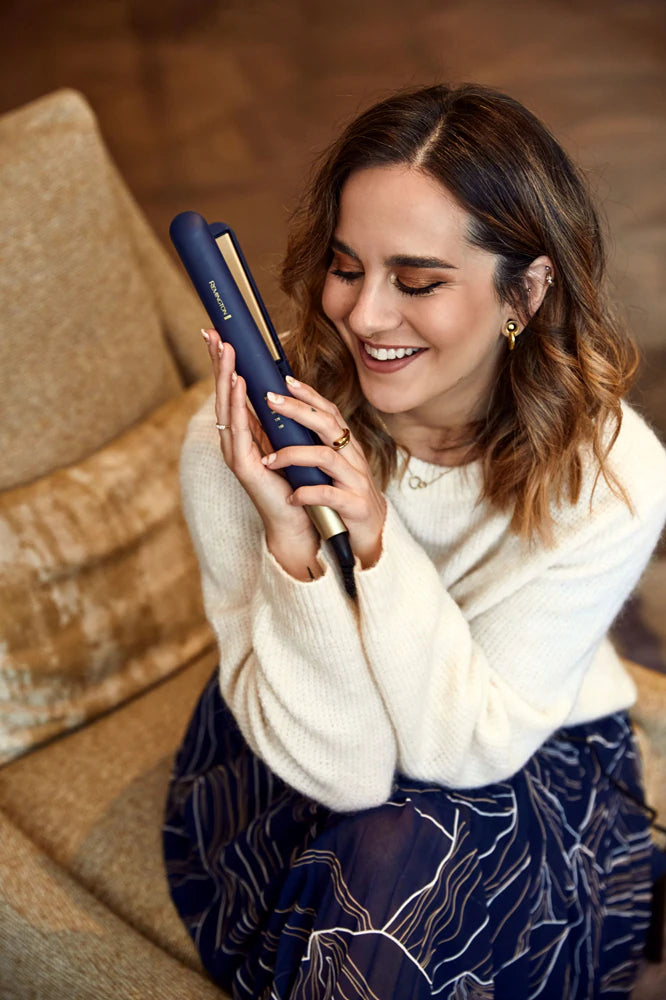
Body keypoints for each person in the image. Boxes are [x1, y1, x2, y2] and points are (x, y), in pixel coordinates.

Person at [163, 83, 666, 999]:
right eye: (347, 267)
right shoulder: (235, 443)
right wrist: (294, 543)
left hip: (507, 740)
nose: (363, 317)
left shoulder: (614, 475)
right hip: (298, 740)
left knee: (419, 835)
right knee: (385, 833)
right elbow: (350, 772)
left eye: (419, 281)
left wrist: (380, 535)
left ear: (527, 289)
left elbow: (456, 753)